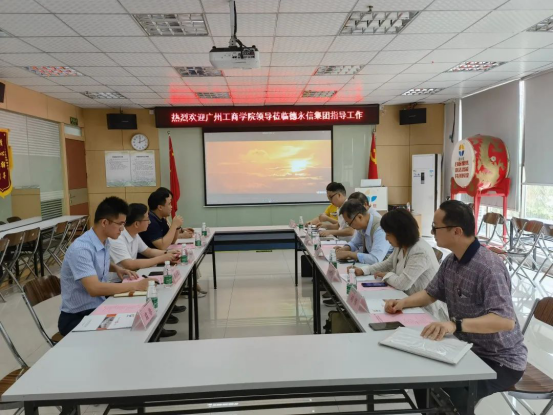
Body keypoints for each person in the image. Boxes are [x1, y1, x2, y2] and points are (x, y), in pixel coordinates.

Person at [384, 201, 527, 414]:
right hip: (465, 347)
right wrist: (402, 303)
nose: (432, 232)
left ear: (457, 231)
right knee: (420, 374)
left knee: (457, 391)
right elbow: (431, 293)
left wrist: (455, 325)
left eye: (436, 227)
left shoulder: (489, 268)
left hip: (500, 359)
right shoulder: (451, 261)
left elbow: (504, 321)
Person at [58, 196, 149, 336]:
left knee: (139, 316)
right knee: (129, 330)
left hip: (99, 307)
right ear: (105, 222)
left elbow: (97, 261)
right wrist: (135, 285)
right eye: (120, 224)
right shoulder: (81, 249)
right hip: (78, 317)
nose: (122, 229)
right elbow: (94, 289)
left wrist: (117, 268)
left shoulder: (104, 240)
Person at [349, 208, 448, 321]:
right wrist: (364, 270)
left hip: (428, 311)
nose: (386, 238)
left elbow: (402, 284)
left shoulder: (420, 251)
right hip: (406, 301)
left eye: (388, 234)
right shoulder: (402, 245)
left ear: (399, 233)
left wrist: (387, 275)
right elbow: (388, 263)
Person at [109, 203, 186, 338]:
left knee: (157, 286)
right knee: (152, 289)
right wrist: (162, 258)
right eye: (147, 219)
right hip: (117, 283)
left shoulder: (134, 234)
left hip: (130, 277)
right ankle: (155, 327)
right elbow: (129, 264)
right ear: (136, 224)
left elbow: (148, 251)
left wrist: (168, 253)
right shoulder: (118, 238)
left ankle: (159, 322)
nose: (149, 222)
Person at [140, 188, 206, 296]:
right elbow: (162, 246)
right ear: (160, 207)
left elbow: (173, 240)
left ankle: (192, 286)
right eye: (169, 204)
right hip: (150, 259)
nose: (172, 207)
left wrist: (177, 227)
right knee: (182, 260)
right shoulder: (151, 221)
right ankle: (189, 289)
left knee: (186, 256)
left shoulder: (161, 218)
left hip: (160, 254)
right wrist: (174, 225)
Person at [333, 199, 390, 264]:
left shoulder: (380, 228)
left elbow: (375, 259)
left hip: (386, 267)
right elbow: (355, 243)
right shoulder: (362, 226)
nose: (350, 226)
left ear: (359, 217)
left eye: (349, 223)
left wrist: (349, 254)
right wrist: (345, 249)